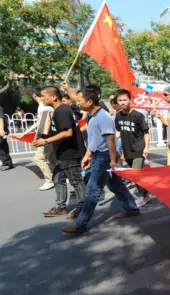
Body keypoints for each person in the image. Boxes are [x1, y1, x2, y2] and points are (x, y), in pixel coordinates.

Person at [60, 86, 139, 234]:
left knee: (92, 190)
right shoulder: (92, 115)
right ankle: (132, 208)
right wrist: (88, 155)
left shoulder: (103, 117)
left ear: (89, 101)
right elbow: (96, 140)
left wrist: (113, 159)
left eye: (80, 100)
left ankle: (80, 223)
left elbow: (110, 139)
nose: (78, 103)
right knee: (116, 185)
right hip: (99, 155)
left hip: (104, 157)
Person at [34, 86, 86, 217]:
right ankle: (60, 207)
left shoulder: (62, 111)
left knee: (76, 181)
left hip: (70, 153)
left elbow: (67, 132)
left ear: (54, 97)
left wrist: (46, 142)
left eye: (43, 95)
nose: (41, 98)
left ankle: (84, 208)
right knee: (58, 179)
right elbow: (55, 131)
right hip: (62, 153)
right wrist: (42, 136)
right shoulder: (55, 111)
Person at [114, 89, 152, 205]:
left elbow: (146, 132)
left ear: (130, 100)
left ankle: (143, 196)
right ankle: (147, 192)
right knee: (136, 174)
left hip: (138, 149)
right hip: (127, 150)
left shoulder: (138, 116)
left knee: (135, 175)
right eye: (120, 100)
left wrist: (146, 147)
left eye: (125, 100)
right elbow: (120, 132)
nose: (122, 102)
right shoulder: (118, 116)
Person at [19, 89, 55, 189]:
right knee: (51, 158)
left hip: (46, 137)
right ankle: (60, 176)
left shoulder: (44, 107)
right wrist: (25, 132)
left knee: (39, 158)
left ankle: (49, 180)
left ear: (35, 96)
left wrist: (42, 137)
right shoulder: (44, 106)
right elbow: (39, 122)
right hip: (49, 136)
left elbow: (45, 122)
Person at [0, 103, 14, 171]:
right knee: (2, 147)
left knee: (2, 147)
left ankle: (7, 163)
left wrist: (1, 130)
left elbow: (1, 119)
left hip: (1, 131)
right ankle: (7, 163)